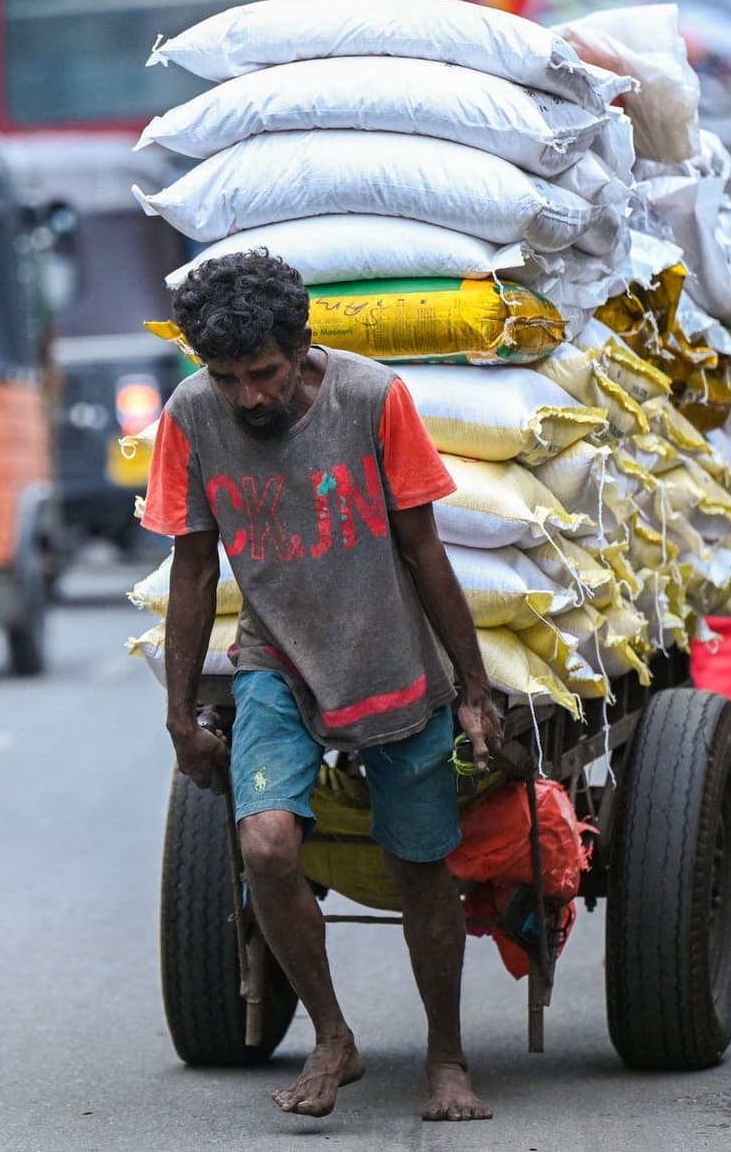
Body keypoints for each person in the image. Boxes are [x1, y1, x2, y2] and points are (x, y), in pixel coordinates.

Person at [143, 250, 504, 1121]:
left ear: (302, 348)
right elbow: (192, 571)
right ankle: (333, 1034)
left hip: (390, 662)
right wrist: (180, 711)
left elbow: (424, 550)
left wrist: (476, 688)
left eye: (262, 373)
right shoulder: (192, 415)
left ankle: (446, 1057)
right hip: (276, 660)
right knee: (265, 845)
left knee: (422, 869)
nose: (247, 397)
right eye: (226, 376)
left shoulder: (374, 399)